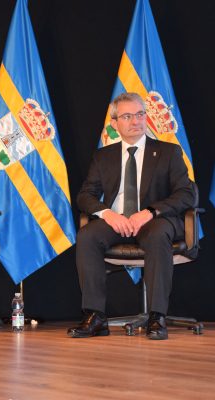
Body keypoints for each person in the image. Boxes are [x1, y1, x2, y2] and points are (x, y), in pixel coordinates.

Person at [68, 92, 195, 340]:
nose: (136, 121)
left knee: (158, 234)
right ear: (115, 124)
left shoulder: (168, 152)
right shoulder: (103, 156)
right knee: (87, 235)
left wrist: (150, 212)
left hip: (155, 221)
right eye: (127, 116)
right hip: (118, 221)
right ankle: (95, 316)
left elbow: (187, 195)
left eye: (140, 114)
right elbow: (85, 196)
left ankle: (157, 316)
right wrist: (107, 213)